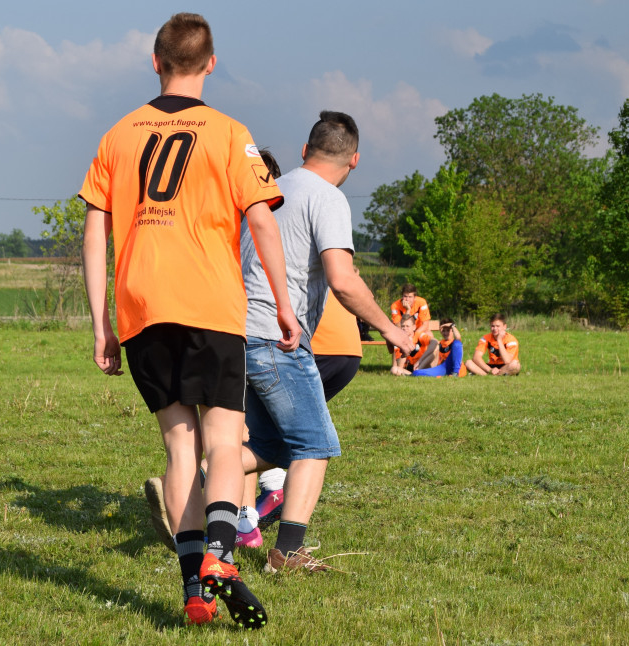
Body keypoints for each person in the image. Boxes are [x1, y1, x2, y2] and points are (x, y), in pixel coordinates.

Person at [79, 13, 300, 629]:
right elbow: (260, 220)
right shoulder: (230, 133)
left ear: (155, 62)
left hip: (143, 310)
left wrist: (103, 324)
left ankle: (191, 588)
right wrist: (283, 304)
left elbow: (96, 231)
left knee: (180, 447)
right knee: (225, 442)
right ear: (210, 63)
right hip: (210, 306)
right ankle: (222, 557)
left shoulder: (118, 134)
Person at [239, 111, 413, 574]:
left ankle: (185, 486)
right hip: (279, 337)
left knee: (270, 444)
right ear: (354, 160)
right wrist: (394, 332)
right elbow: (343, 280)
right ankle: (287, 553)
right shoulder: (328, 198)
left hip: (237, 330)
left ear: (303, 151)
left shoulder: (272, 188)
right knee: (315, 443)